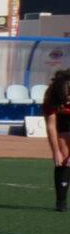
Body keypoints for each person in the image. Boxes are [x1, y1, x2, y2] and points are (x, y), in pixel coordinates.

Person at [44, 67, 70, 210]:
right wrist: (56, 152)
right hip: (63, 119)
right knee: (64, 158)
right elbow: (51, 126)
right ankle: (61, 201)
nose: (68, 100)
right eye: (65, 98)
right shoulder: (51, 96)